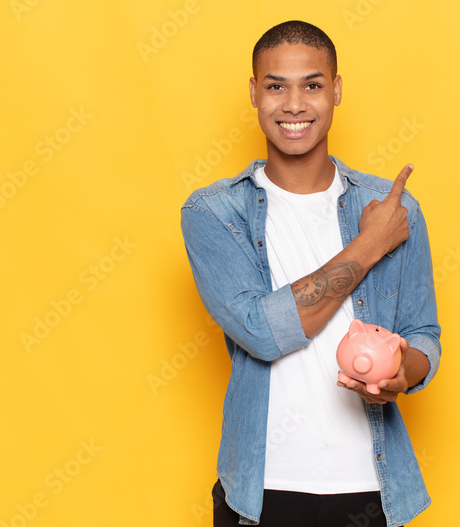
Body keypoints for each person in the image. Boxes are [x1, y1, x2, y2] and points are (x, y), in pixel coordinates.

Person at [180, 20, 441, 527]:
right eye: (276, 86)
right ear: (255, 93)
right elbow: (261, 330)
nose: (294, 104)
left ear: (336, 91)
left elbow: (422, 335)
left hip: (374, 489)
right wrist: (369, 245)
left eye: (312, 85)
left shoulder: (391, 207)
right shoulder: (214, 213)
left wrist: (399, 376)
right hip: (262, 491)